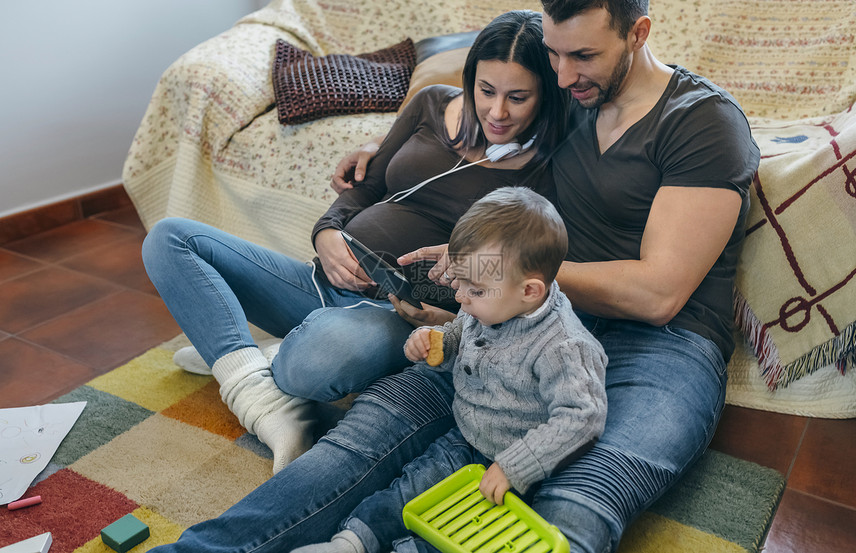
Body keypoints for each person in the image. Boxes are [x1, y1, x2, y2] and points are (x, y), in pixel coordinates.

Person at [147, 1, 760, 552]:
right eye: (554, 53)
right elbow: (478, 93)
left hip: (659, 347)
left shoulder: (701, 123)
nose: (565, 74)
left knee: (575, 502)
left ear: (639, 33)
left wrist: (493, 274)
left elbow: (657, 294)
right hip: (519, 316)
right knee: (363, 440)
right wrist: (375, 154)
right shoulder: (569, 102)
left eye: (584, 56)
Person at [140, 9, 567, 475]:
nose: (497, 112)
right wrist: (325, 233)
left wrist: (455, 313)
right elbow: (365, 188)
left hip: (398, 315)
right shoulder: (430, 105)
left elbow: (527, 275)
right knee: (170, 239)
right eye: (486, 91)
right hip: (322, 280)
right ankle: (261, 393)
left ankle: (243, 357)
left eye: (518, 97)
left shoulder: (549, 168)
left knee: (312, 363)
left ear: (545, 94)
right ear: (470, 81)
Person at [293, 187, 607, 553]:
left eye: (473, 290)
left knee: (468, 532)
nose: (460, 298)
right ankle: (350, 543)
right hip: (466, 437)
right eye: (460, 284)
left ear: (530, 291)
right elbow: (460, 330)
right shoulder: (489, 303)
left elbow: (583, 416)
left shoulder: (565, 347)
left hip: (521, 464)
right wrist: (435, 339)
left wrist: (514, 467)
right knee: (408, 491)